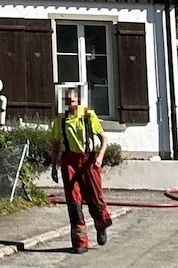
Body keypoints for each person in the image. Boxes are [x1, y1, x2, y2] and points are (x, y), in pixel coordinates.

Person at [50, 87, 112, 254]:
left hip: (88, 160)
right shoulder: (60, 120)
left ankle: (101, 225)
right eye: (67, 101)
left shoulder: (88, 116)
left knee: (95, 197)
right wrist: (54, 165)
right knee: (74, 201)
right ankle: (80, 242)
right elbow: (56, 144)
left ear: (78, 100)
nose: (70, 104)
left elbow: (103, 139)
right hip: (69, 161)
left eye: (73, 101)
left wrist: (99, 157)